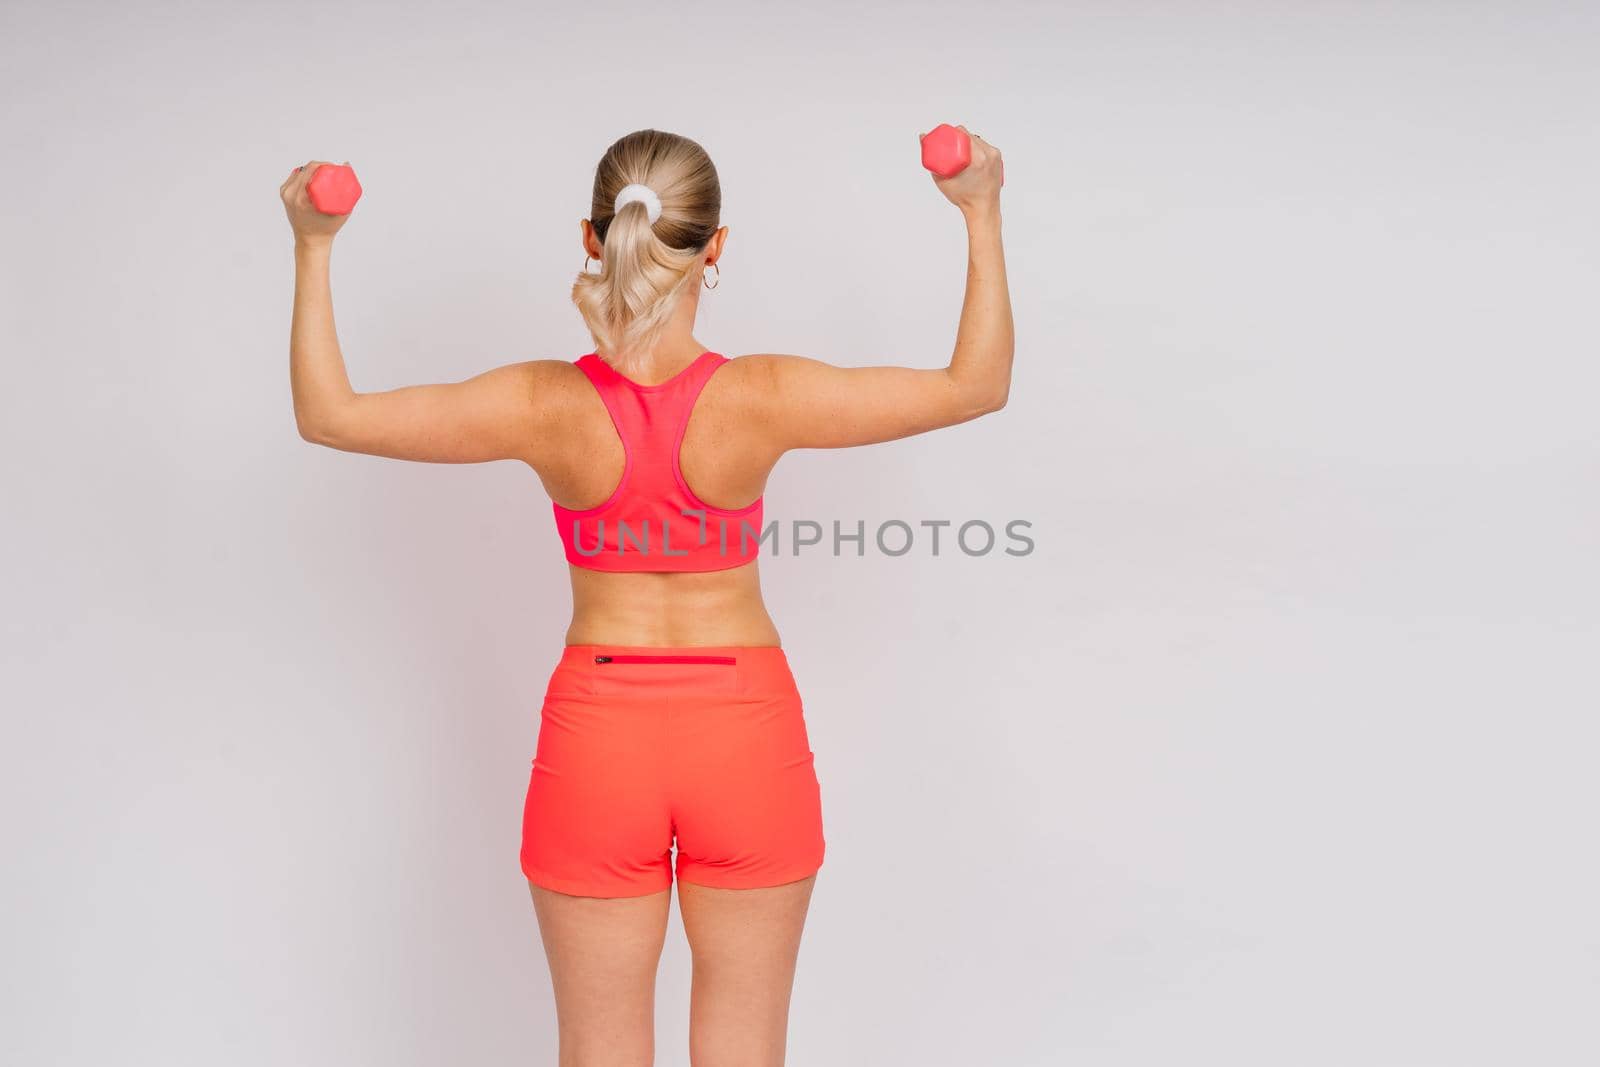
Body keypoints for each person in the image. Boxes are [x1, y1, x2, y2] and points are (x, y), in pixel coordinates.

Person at [281, 126, 1011, 1067]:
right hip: (745, 736)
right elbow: (975, 386)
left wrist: (312, 244)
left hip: (599, 740)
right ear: (715, 246)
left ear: (593, 238)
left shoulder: (543, 404)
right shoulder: (766, 395)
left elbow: (329, 415)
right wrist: (981, 211)